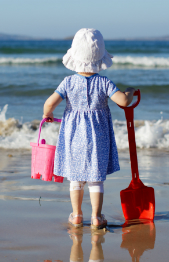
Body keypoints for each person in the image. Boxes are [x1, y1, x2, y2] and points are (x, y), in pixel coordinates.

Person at [42, 28, 137, 229]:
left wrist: (47, 114)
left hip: (74, 135)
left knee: (75, 177)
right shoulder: (104, 82)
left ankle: (76, 215)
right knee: (95, 177)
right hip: (98, 136)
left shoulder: (68, 82)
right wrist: (129, 92)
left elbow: (50, 103)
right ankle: (96, 217)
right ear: (100, 57)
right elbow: (123, 102)